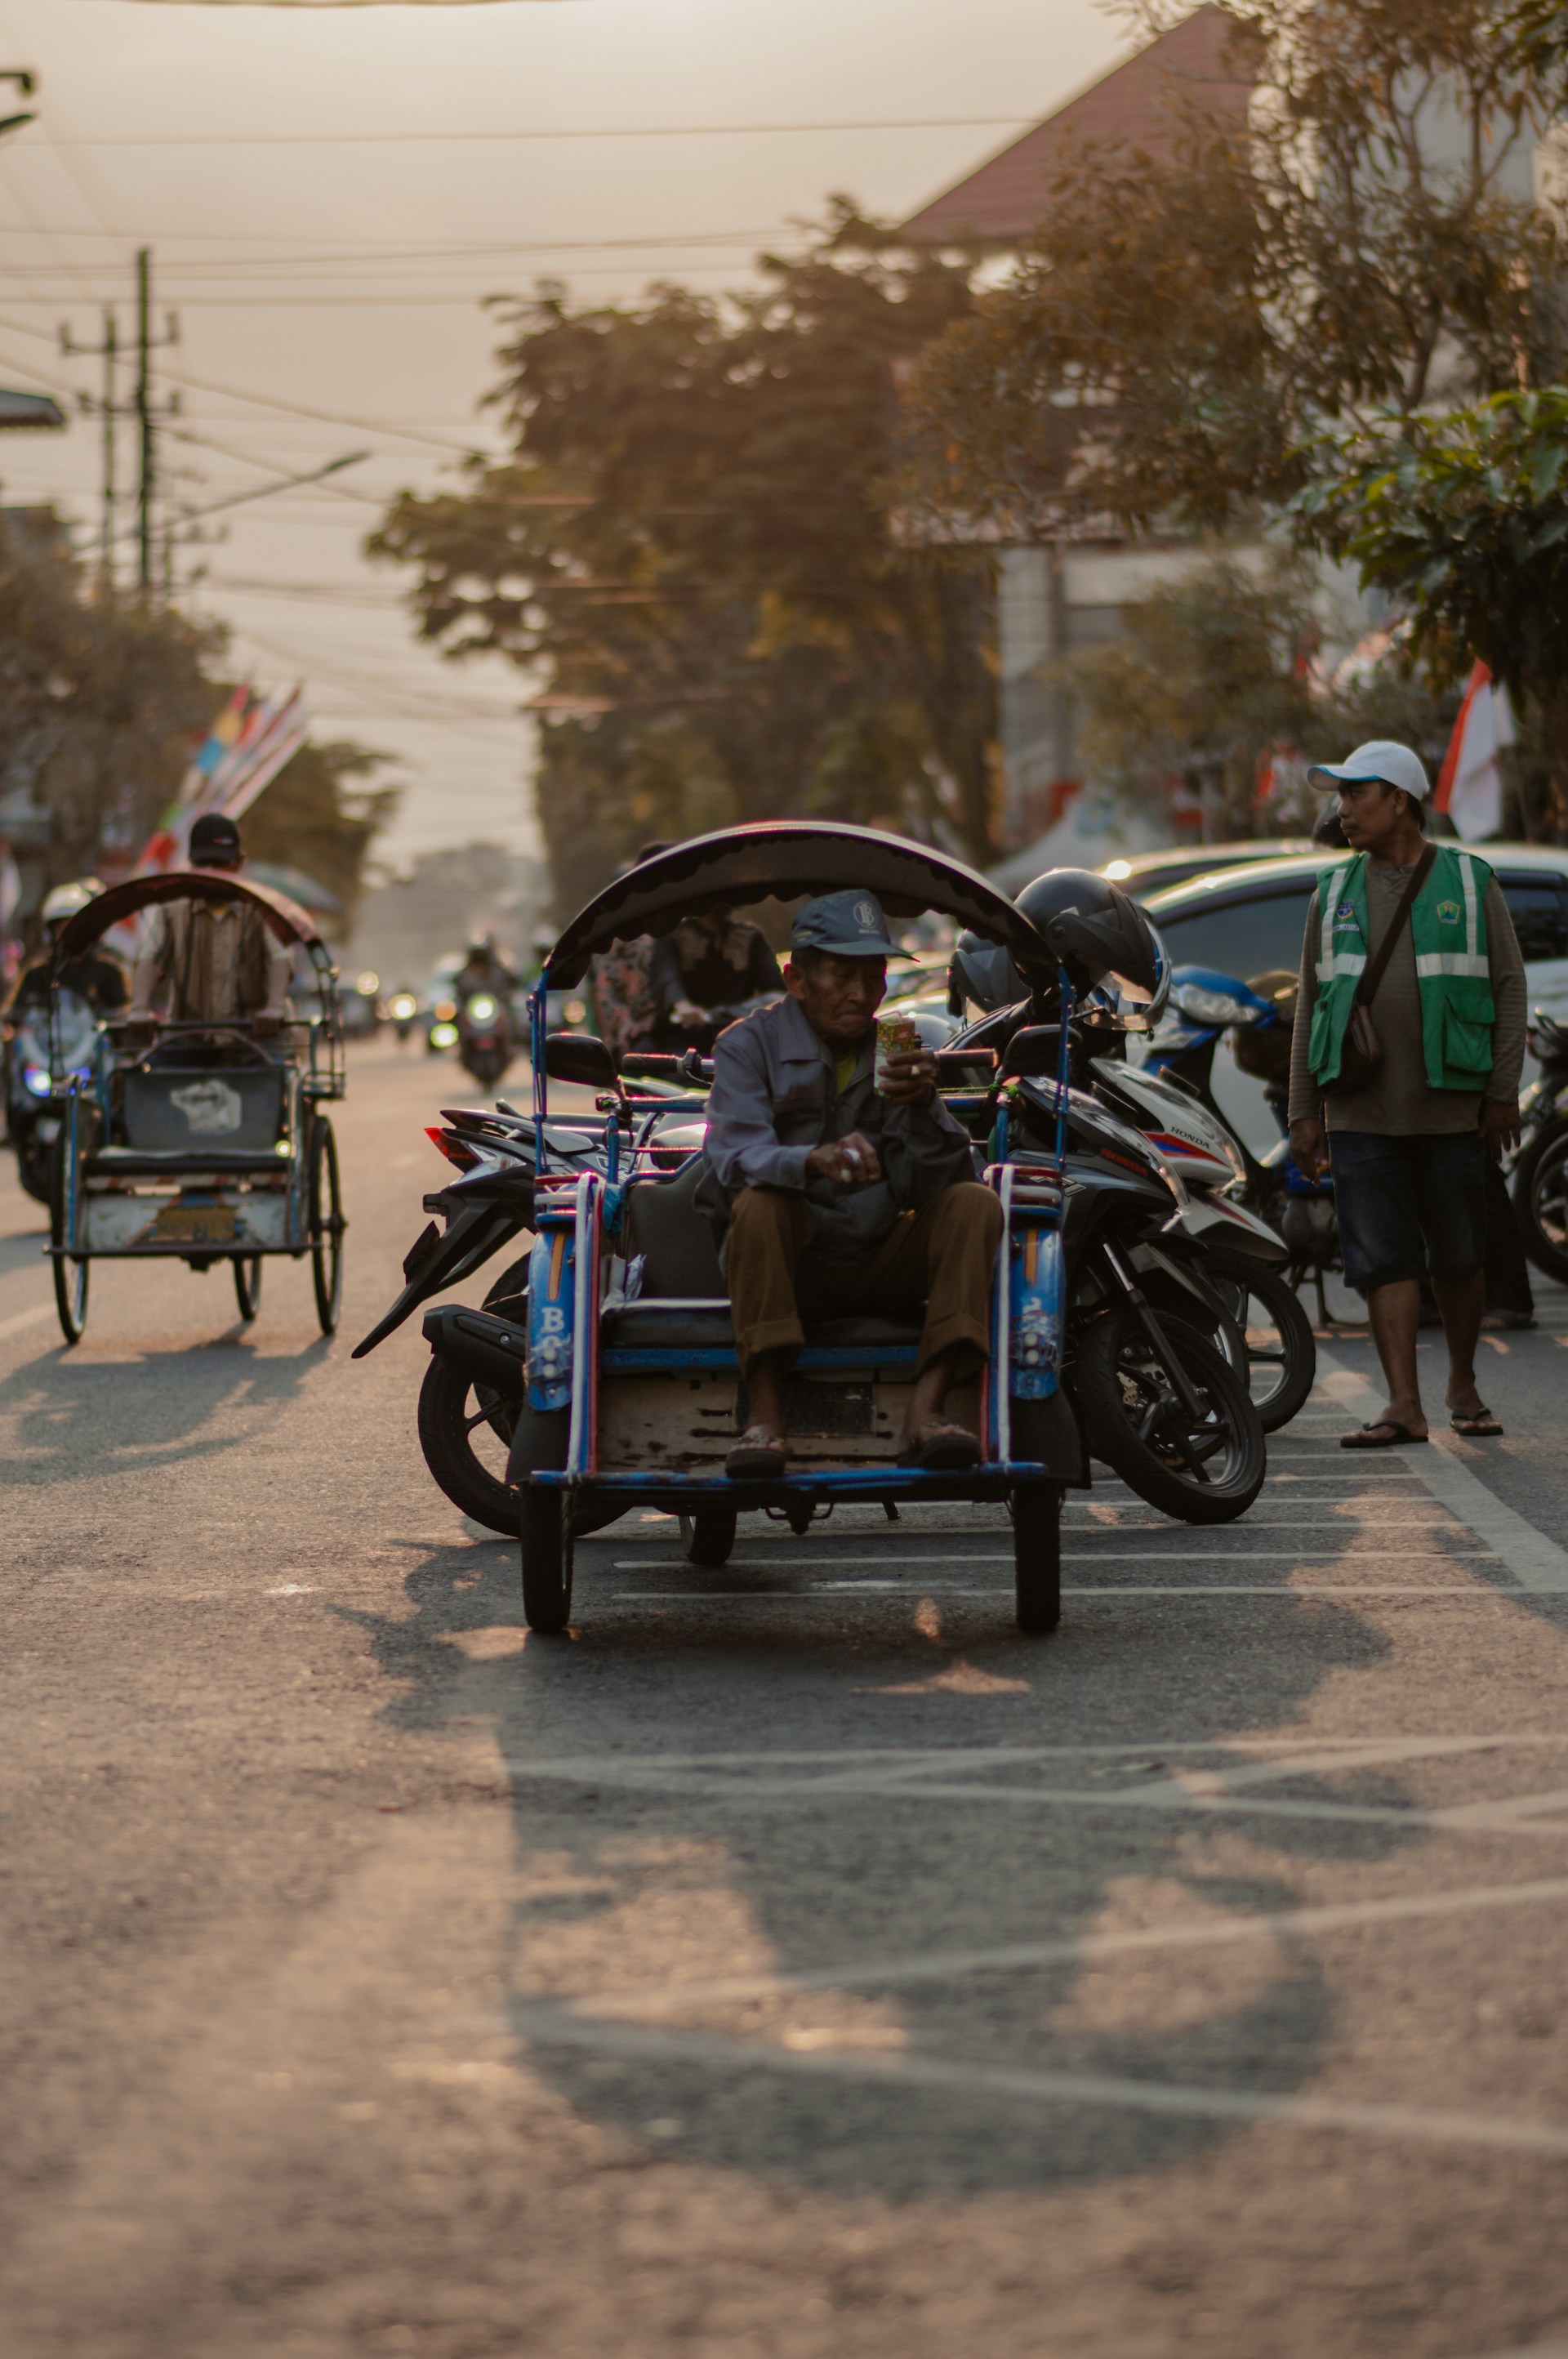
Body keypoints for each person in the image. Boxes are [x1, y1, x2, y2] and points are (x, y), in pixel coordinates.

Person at [699, 888, 1001, 1478]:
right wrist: (811, 1160)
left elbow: (936, 1184)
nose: (862, 995)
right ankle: (764, 1416)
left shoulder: (895, 1047)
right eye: (842, 975)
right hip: (791, 1266)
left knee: (975, 1203)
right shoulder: (746, 1046)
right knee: (759, 1205)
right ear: (797, 980)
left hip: (879, 1256)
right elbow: (733, 1154)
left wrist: (924, 1106)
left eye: (873, 976)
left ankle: (928, 1408)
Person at [1286, 740, 1526, 1446]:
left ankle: (1462, 1383)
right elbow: (1310, 1000)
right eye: (1340, 796)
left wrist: (1502, 1092)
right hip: (1360, 1113)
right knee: (1380, 1258)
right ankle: (1403, 1404)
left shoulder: (1468, 881)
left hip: (1453, 1107)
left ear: (1400, 801)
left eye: (1357, 794)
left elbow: (1508, 987)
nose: (1344, 809)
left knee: (1457, 1256)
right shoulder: (1330, 892)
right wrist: (1305, 1110)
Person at [131, 812, 292, 1037]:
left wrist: (275, 1007)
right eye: (204, 863)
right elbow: (150, 957)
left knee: (279, 1068)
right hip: (185, 1039)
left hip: (251, 1040)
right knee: (141, 1070)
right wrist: (139, 1008)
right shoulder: (171, 911)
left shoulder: (258, 909)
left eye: (220, 863)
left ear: (238, 863)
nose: (211, 872)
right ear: (191, 864)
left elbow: (279, 959)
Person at [653, 905, 782, 1045]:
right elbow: (668, 978)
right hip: (684, 1035)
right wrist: (681, 1005)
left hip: (737, 1033)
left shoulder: (750, 936)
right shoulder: (673, 936)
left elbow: (775, 991)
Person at [6, 879, 128, 1019]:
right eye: (62, 928)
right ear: (51, 933)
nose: (68, 934)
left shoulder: (107, 972)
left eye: (75, 928)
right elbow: (15, 1013)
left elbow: (122, 1013)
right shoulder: (37, 975)